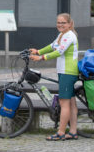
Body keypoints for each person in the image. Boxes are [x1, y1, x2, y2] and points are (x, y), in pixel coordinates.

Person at [29, 12, 79, 141]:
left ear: (69, 24)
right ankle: (73, 132)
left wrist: (41, 58)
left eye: (63, 23)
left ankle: (61, 132)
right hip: (64, 71)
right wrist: (38, 51)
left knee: (64, 103)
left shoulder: (69, 36)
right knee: (71, 103)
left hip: (68, 72)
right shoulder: (61, 35)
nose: (60, 25)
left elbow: (59, 51)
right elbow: (52, 46)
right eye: (58, 22)